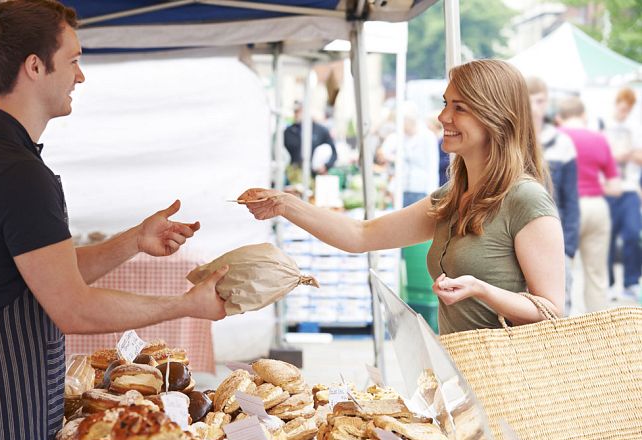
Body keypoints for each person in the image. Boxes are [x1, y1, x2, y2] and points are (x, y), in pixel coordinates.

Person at [0, 2, 227, 440]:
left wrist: (134, 241)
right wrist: (185, 305)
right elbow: (73, 308)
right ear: (35, 66)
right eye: (74, 59)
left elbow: (48, 271)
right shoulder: (15, 172)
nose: (81, 76)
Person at [240, 59, 565, 333]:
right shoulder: (452, 197)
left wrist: (481, 290)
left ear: (495, 116)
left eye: (459, 107)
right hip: (461, 376)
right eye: (445, 103)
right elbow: (361, 235)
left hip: (508, 386)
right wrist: (285, 204)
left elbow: (552, 311)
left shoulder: (526, 199)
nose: (443, 117)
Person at [556, 96, 621, 312]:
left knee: (560, 273)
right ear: (584, 115)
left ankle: (561, 330)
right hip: (596, 207)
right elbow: (615, 186)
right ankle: (598, 333)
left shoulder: (556, 138)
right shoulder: (599, 139)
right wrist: (594, 185)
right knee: (597, 275)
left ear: (559, 118)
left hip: (563, 210)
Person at [526, 77, 580, 314]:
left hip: (556, 237)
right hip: (522, 237)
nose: (539, 107)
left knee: (558, 309)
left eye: (543, 101)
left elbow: (571, 198)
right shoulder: (512, 142)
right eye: (534, 100)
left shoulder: (562, 142)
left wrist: (568, 248)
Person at [603, 87, 642, 300]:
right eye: (622, 107)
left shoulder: (635, 128)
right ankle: (608, 284)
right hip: (608, 189)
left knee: (632, 233)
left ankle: (631, 282)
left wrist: (627, 155)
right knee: (606, 238)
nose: (624, 112)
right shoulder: (603, 125)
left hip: (629, 189)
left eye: (628, 109)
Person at [283, 101, 337, 180]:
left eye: (299, 111)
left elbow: (333, 153)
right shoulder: (288, 132)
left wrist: (326, 166)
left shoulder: (321, 130)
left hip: (315, 176)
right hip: (293, 175)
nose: (296, 114)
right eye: (295, 111)